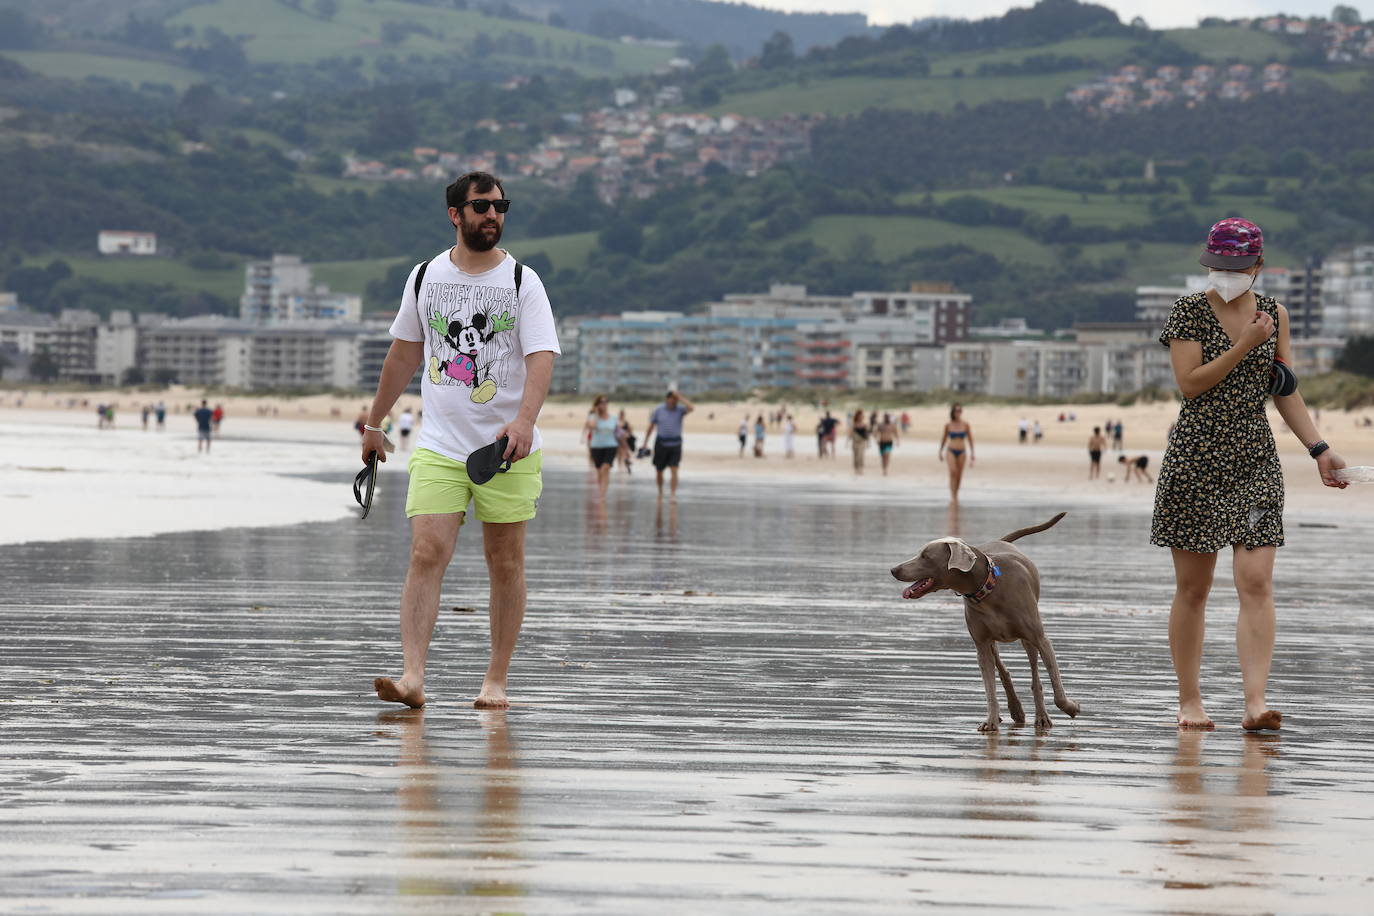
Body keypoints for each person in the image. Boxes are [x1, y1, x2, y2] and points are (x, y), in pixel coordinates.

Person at [363, 170, 560, 710]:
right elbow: (404, 353)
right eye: (481, 207)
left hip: (508, 448)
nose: (492, 215)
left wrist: (523, 421)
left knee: (505, 561)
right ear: (455, 214)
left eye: (500, 206)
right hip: (440, 446)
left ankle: (495, 680)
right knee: (427, 552)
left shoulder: (523, 282)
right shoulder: (425, 276)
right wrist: (375, 422)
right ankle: (412, 678)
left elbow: (542, 356)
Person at [1152, 216, 1347, 733]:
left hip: (1255, 459)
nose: (1226, 273)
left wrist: (1319, 449)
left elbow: (1283, 387)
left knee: (1256, 581)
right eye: (1217, 265)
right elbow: (1191, 384)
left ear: (1257, 266)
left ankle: (1255, 703)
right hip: (1196, 459)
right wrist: (1243, 346)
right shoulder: (1188, 311)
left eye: (1236, 266)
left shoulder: (1275, 315)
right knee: (1194, 589)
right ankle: (1190, 702)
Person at [645, 390, 694, 500]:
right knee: (659, 470)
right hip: (661, 443)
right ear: (667, 399)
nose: (674, 401)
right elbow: (651, 426)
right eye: (672, 398)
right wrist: (645, 442)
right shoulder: (658, 410)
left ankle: (673, 494)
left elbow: (691, 408)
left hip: (676, 444)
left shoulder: (680, 410)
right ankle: (660, 491)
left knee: (674, 469)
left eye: (675, 399)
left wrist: (680, 397)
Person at [583, 394, 618, 499]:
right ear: (597, 404)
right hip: (596, 446)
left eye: (606, 402)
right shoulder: (592, 417)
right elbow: (592, 426)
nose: (604, 404)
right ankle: (601, 490)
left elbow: (618, 432)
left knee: (605, 468)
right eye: (602, 402)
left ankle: (602, 495)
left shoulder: (613, 418)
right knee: (599, 471)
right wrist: (597, 414)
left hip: (611, 446)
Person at [938, 403, 974, 501]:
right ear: (953, 412)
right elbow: (944, 438)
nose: (958, 413)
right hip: (951, 450)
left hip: (962, 451)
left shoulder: (965, 425)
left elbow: (970, 439)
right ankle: (952, 496)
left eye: (960, 410)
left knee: (959, 474)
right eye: (956, 410)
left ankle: (956, 493)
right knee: (953, 471)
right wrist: (940, 451)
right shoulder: (948, 425)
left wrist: (972, 454)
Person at [848, 409, 869, 474]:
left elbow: (867, 435)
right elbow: (850, 434)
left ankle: (861, 468)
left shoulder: (864, 425)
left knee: (861, 456)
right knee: (855, 456)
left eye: (861, 416)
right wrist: (848, 441)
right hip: (855, 442)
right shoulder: (854, 425)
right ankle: (856, 468)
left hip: (862, 442)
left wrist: (868, 443)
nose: (860, 418)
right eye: (859, 416)